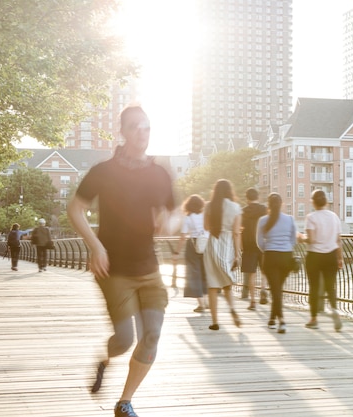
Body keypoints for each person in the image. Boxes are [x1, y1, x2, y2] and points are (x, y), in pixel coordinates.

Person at [67, 105, 176, 417]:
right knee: (125, 340)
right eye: (135, 127)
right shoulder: (104, 172)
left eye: (147, 127)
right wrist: (96, 246)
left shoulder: (159, 173)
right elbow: (75, 209)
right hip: (113, 269)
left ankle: (124, 401)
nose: (142, 133)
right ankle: (105, 360)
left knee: (152, 335)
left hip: (149, 268)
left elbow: (172, 212)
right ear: (123, 132)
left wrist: (167, 218)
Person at [299, 189, 344, 331]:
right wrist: (340, 258)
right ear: (325, 201)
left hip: (314, 256)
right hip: (331, 255)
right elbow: (338, 240)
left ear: (313, 202)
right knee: (331, 286)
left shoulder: (311, 217)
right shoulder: (334, 217)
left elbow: (310, 239)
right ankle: (334, 309)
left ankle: (313, 319)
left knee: (314, 287)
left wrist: (301, 238)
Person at [203, 179, 242, 331]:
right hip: (227, 246)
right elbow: (237, 233)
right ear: (229, 191)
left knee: (213, 286)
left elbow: (206, 227)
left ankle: (215, 322)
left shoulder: (209, 206)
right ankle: (232, 308)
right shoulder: (236, 208)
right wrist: (237, 255)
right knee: (227, 284)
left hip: (213, 243)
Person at [256, 193, 297, 334]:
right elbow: (293, 240)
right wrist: (285, 248)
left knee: (275, 290)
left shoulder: (262, 221)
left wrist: (268, 249)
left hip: (270, 256)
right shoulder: (290, 219)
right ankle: (272, 318)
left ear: (268, 205)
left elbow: (259, 242)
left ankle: (282, 321)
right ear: (282, 204)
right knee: (277, 289)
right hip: (286, 257)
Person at [174, 194, 208, 313]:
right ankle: (207, 300)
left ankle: (201, 304)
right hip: (206, 245)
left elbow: (183, 236)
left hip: (193, 245)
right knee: (205, 272)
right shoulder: (205, 215)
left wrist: (177, 252)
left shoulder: (188, 217)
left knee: (194, 274)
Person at [241, 187, 268, 310]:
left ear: (247, 199)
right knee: (264, 271)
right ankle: (263, 289)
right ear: (258, 197)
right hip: (262, 244)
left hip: (248, 245)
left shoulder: (243, 212)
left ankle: (252, 301)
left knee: (251, 274)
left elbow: (240, 230)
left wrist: (240, 246)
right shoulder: (264, 210)